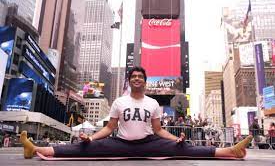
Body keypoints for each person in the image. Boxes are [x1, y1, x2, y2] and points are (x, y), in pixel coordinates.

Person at [20, 66, 253, 159]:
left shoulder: (153, 103)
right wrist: (91, 137)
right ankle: (36, 149)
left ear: (145, 81)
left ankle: (231, 151)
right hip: (120, 143)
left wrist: (177, 138)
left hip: (149, 142)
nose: (138, 79)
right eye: (134, 77)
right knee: (84, 147)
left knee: (185, 148)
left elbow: (159, 130)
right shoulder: (119, 102)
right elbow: (110, 128)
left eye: (141, 77)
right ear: (130, 81)